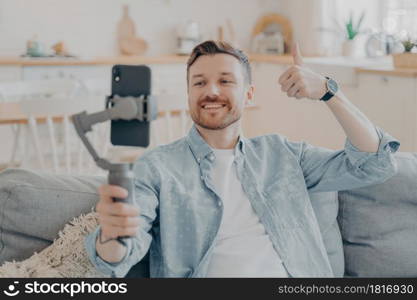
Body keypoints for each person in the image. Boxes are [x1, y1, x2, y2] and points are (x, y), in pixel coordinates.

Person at [85, 40, 400, 278]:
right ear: (188, 95)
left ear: (249, 95)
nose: (211, 91)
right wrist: (113, 235)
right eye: (199, 82)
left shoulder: (283, 154)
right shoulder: (157, 167)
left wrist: (330, 92)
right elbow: (117, 257)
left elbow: (375, 163)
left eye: (225, 81)